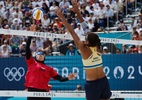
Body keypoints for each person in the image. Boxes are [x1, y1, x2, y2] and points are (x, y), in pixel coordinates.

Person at [56, 0, 112, 100]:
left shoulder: (85, 50)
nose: (85, 38)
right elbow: (86, 29)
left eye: (86, 38)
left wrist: (61, 17)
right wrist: (77, 12)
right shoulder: (97, 48)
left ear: (87, 42)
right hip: (104, 81)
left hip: (93, 84)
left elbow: (72, 32)